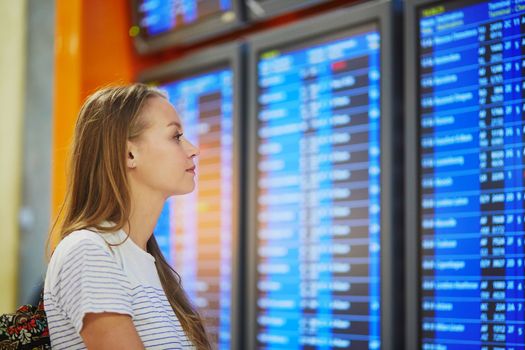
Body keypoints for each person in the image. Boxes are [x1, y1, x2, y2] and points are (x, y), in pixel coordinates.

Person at [43, 83, 211, 349]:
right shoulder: (88, 250)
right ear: (129, 153)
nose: (193, 149)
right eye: (176, 137)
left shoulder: (148, 263)